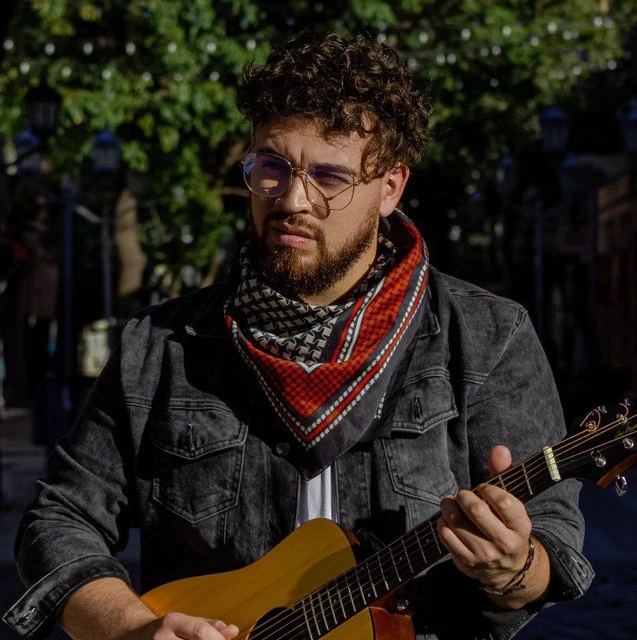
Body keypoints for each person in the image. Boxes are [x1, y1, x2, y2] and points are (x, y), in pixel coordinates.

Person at [4, 32, 592, 640]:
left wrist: (514, 567)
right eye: (272, 167)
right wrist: (130, 628)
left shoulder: (488, 337)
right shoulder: (159, 346)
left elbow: (553, 548)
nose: (294, 199)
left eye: (330, 176)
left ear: (390, 187)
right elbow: (59, 517)